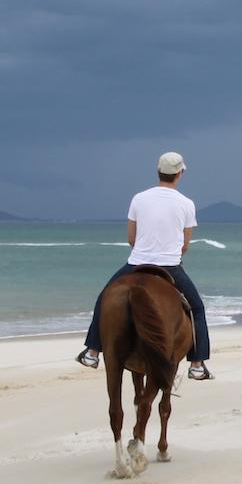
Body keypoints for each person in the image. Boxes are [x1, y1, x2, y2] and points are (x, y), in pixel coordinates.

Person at [75, 151, 213, 379]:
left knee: (104, 297)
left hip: (137, 261)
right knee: (197, 309)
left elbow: (131, 238)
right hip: (170, 265)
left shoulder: (139, 198)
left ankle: (92, 351)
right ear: (180, 174)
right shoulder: (187, 204)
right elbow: (185, 245)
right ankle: (197, 364)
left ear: (159, 172)